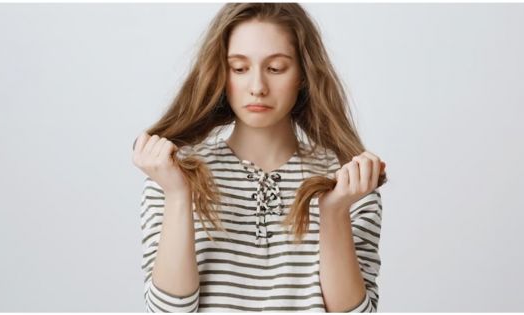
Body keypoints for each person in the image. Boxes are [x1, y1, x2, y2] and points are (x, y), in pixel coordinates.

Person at [131, 3, 388, 312]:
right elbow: (167, 311)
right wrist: (177, 195)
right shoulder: (172, 177)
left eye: (276, 68)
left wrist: (334, 212)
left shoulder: (349, 183)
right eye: (239, 68)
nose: (257, 87)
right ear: (221, 75)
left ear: (303, 75)